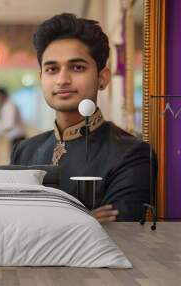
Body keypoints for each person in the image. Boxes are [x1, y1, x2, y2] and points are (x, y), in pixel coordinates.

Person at [11, 13, 156, 222]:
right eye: (52, 69)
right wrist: (83, 221)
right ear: (41, 77)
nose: (62, 80)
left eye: (77, 67)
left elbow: (118, 239)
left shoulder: (131, 155)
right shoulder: (25, 151)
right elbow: (9, 224)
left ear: (102, 78)